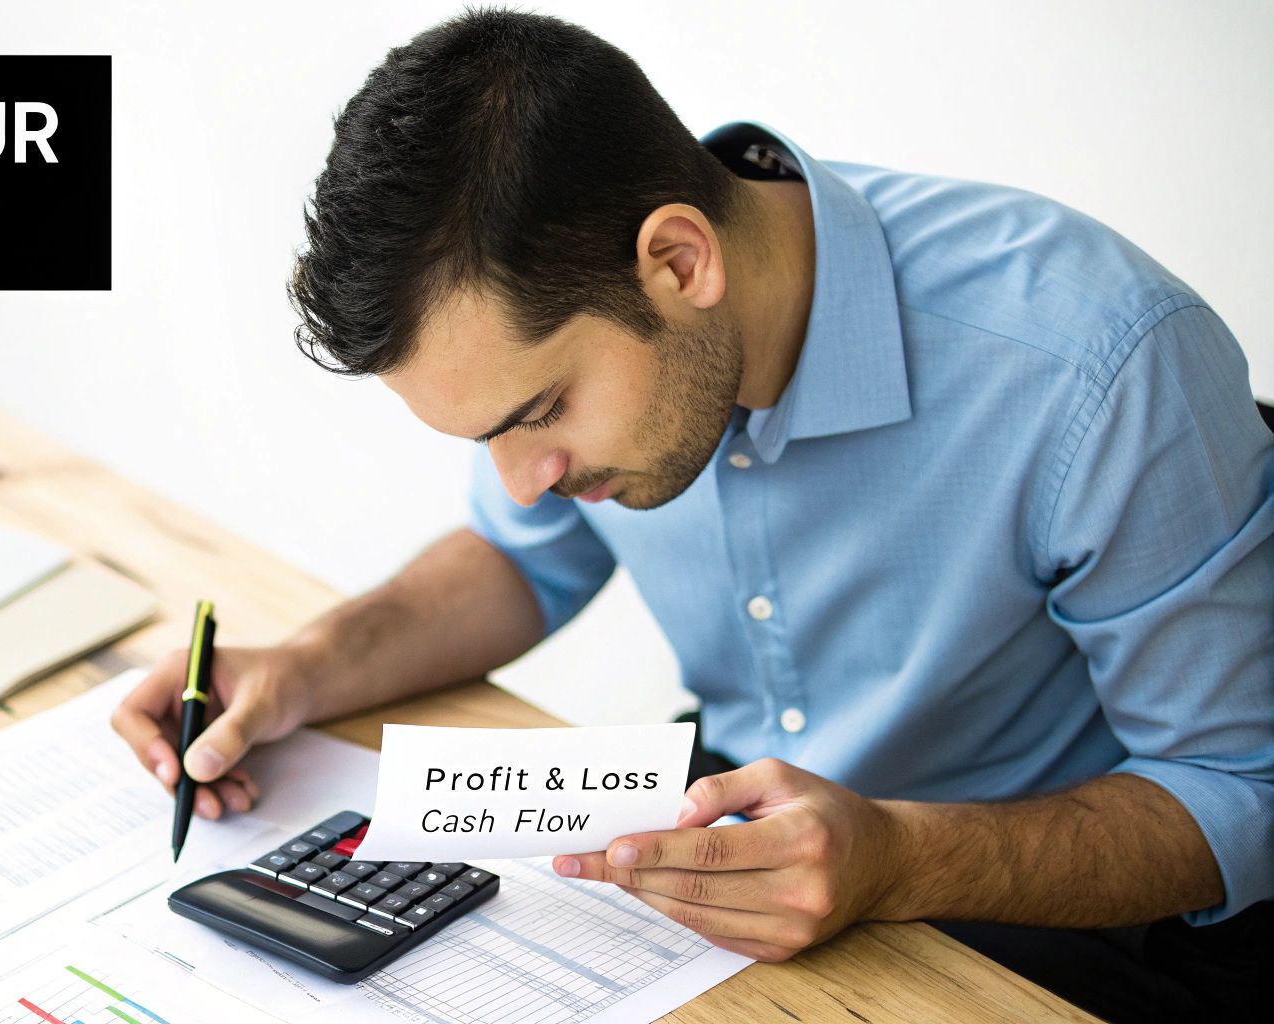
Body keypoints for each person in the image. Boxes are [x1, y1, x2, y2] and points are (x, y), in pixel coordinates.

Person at [112, 10, 1273, 1020]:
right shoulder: (585, 377)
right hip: (732, 864)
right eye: (486, 440)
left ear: (678, 260)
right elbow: (521, 558)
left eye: (541, 411)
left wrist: (901, 858)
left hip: (1056, 928)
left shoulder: (1096, 363)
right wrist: (307, 666)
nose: (523, 477)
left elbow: (1239, 792)